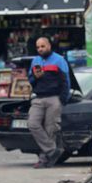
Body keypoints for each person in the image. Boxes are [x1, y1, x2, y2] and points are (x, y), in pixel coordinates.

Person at [28, 37, 70, 168]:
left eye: (42, 46)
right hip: (39, 98)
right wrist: (35, 76)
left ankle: (44, 160)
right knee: (32, 123)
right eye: (38, 47)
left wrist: (62, 99)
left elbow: (66, 81)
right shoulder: (35, 61)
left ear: (49, 46)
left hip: (54, 98)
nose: (40, 49)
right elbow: (31, 80)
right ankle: (52, 150)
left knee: (51, 129)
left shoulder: (59, 60)